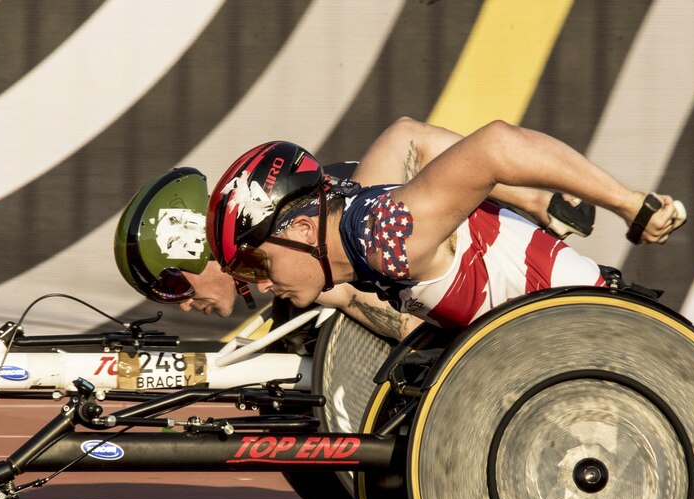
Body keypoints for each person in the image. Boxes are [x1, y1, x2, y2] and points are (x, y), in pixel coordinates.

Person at [116, 118, 595, 339]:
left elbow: (417, 138)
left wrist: (531, 198)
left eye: (174, 282)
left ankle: (538, 198)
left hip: (542, 296)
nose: (181, 302)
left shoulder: (333, 232)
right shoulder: (298, 267)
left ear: (200, 249)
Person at [205, 120, 685, 327]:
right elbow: (406, 138)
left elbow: (496, 144)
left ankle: (539, 200)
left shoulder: (387, 240)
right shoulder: (351, 219)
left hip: (597, 328)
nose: (262, 284)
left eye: (256, 265)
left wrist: (630, 204)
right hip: (551, 336)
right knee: (409, 138)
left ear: (305, 232)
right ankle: (538, 201)